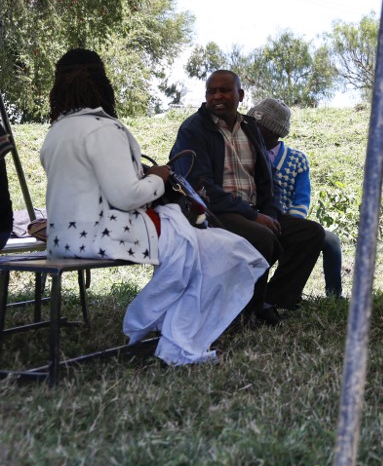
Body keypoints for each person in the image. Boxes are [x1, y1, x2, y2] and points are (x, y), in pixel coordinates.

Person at [38, 49, 269, 365]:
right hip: (106, 237)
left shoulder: (56, 132)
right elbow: (128, 197)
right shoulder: (104, 129)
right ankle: (178, 333)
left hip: (65, 240)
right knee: (229, 251)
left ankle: (167, 322)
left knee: (206, 246)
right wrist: (159, 177)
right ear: (103, 84)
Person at [170, 70, 325, 326]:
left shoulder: (251, 128)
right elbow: (198, 184)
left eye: (225, 90)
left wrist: (271, 215)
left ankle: (271, 300)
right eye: (212, 91)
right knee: (262, 237)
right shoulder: (194, 128)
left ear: (240, 95)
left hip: (254, 211)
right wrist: (254, 216)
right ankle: (248, 308)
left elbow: (269, 179)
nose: (218, 96)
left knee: (310, 234)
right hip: (213, 212)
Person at [248, 98, 344, 298]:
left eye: (259, 126)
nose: (252, 130)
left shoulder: (297, 159)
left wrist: (292, 224)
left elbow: (301, 199)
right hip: (255, 217)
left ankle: (334, 295)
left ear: (274, 131)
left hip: (287, 220)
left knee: (331, 241)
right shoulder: (246, 153)